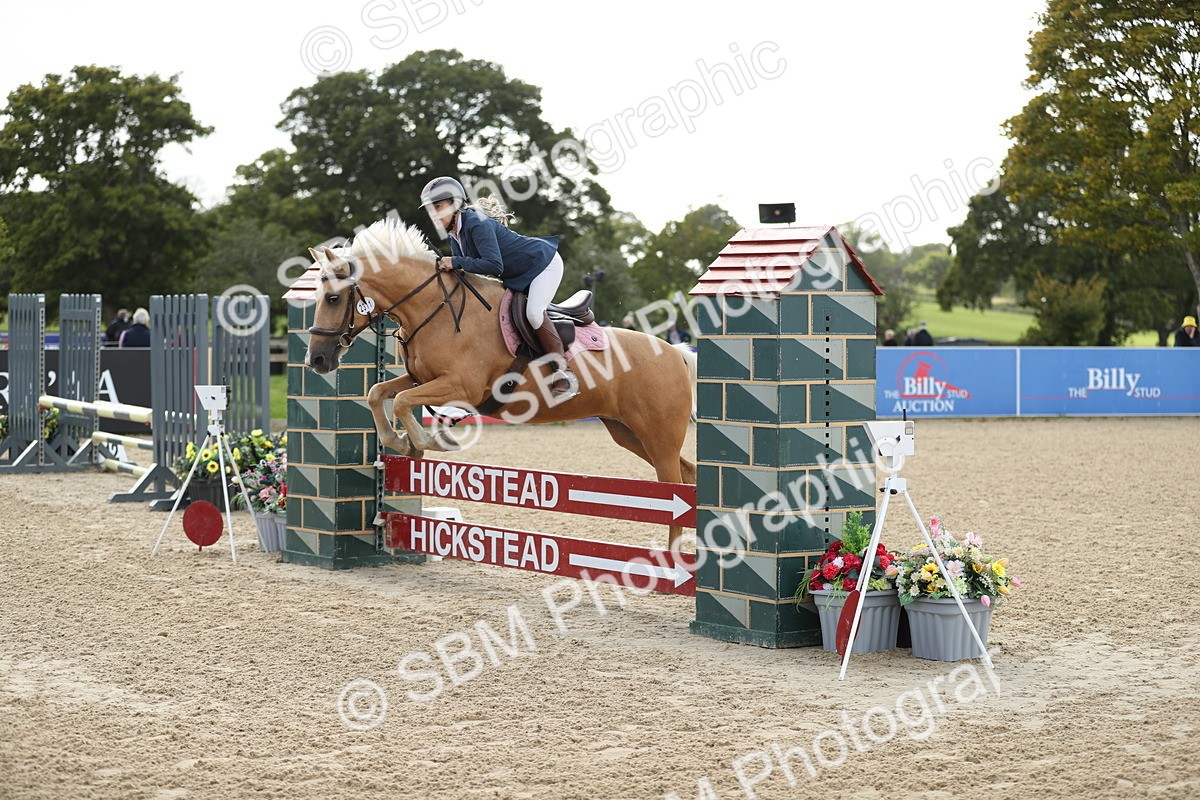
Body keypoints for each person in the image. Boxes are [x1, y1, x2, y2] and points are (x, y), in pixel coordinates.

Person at [420, 176, 577, 399]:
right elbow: (466, 273)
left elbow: (494, 265)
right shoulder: (454, 235)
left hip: (542, 263)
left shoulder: (476, 223)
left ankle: (563, 372)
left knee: (533, 313)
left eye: (438, 207)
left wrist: (455, 261)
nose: (434, 214)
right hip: (517, 275)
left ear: (455, 204)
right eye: (430, 210)